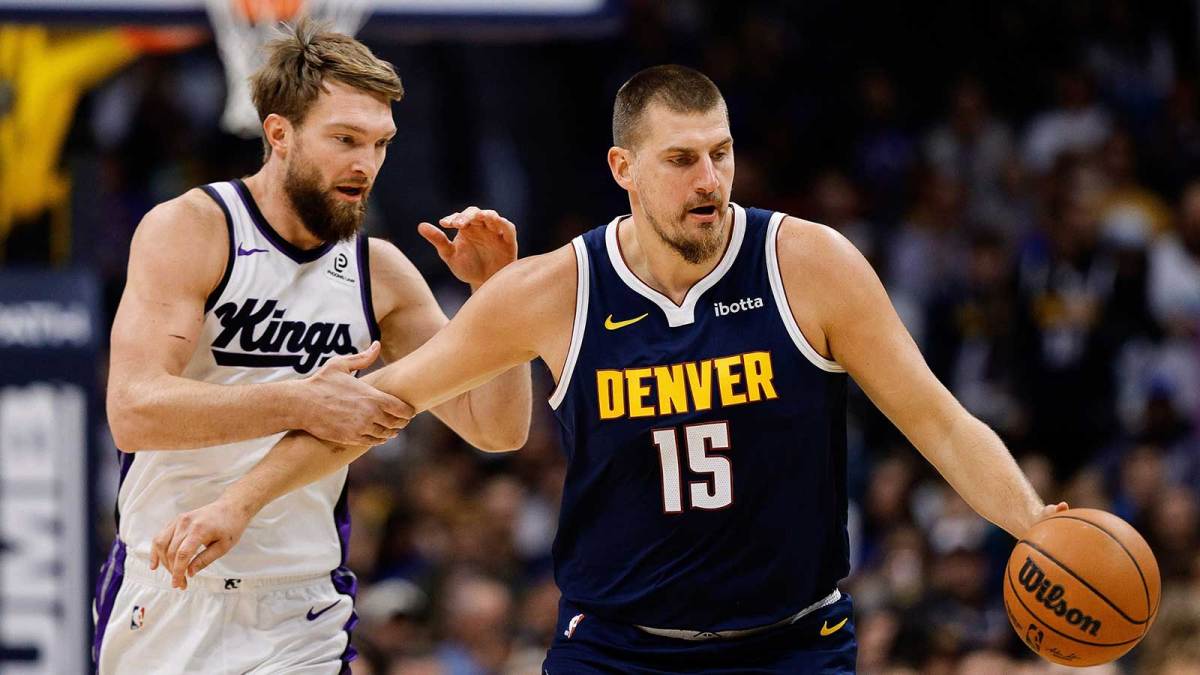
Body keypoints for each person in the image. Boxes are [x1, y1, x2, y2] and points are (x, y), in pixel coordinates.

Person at [153, 65, 1064, 673]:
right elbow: (378, 403)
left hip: (794, 640)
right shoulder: (554, 289)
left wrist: (1031, 521)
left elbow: (938, 418)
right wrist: (238, 502)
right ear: (625, 168)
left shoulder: (809, 264)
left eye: (721, 153)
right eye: (681, 160)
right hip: (618, 649)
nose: (709, 178)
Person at [93, 21, 531, 675]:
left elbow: (497, 427)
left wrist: (498, 294)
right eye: (345, 140)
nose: (366, 164)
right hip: (168, 589)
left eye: (380, 143)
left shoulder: (379, 272)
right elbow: (133, 408)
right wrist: (301, 402)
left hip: (301, 609)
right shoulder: (192, 229)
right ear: (279, 134)